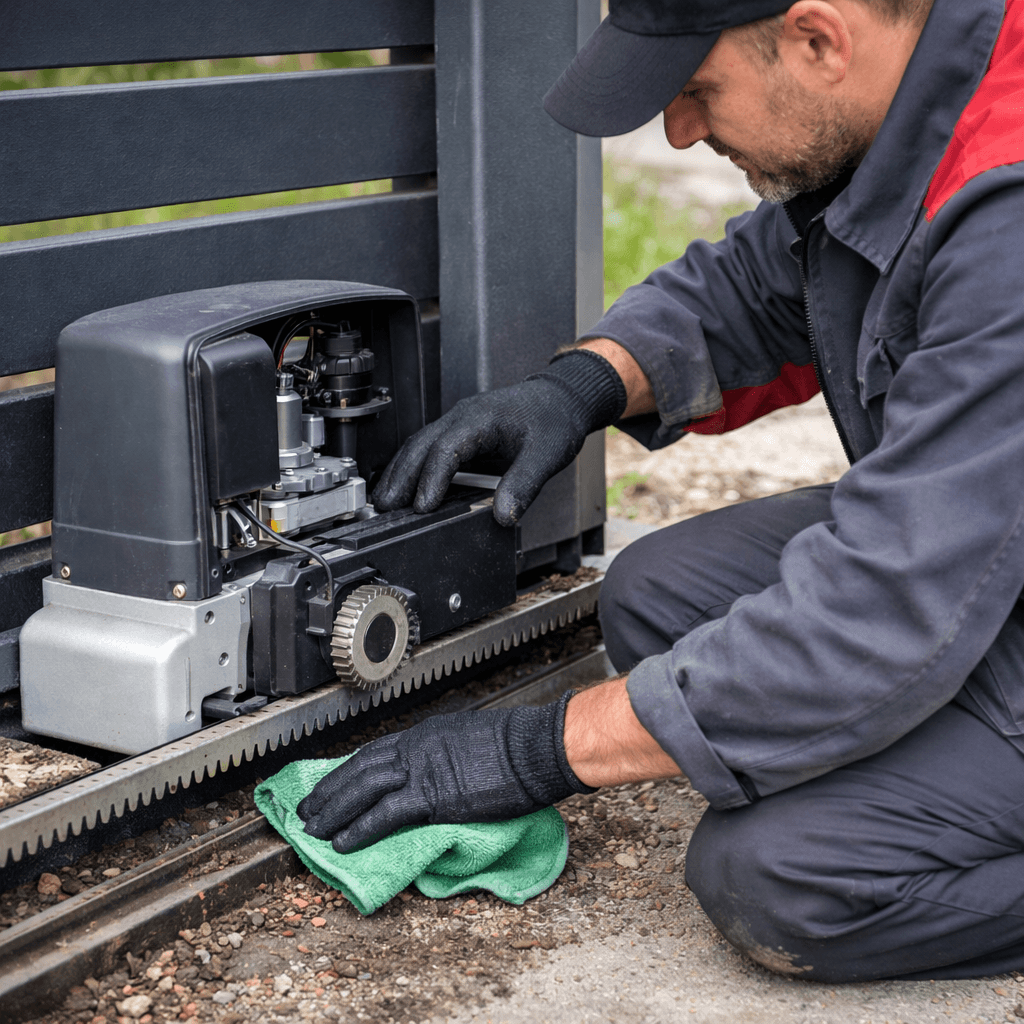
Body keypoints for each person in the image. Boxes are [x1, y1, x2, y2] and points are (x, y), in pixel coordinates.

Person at [298, 0, 1024, 982]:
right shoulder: (915, 108)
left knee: (781, 877)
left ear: (817, 40)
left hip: (965, 584)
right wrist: (579, 385)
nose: (678, 131)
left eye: (695, 91)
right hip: (990, 560)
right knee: (655, 592)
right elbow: (759, 286)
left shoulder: (1006, 210)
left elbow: (882, 610)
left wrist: (536, 749)